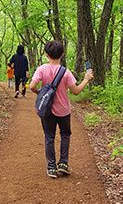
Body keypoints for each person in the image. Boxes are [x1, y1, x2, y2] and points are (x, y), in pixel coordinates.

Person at [29, 40, 93, 178]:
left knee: (49, 137)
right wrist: (86, 79)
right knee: (65, 135)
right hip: (64, 110)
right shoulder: (66, 72)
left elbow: (31, 86)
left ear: (46, 55)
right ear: (62, 55)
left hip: (47, 110)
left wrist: (40, 93)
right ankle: (63, 164)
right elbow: (75, 91)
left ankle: (51, 167)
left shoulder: (41, 69)